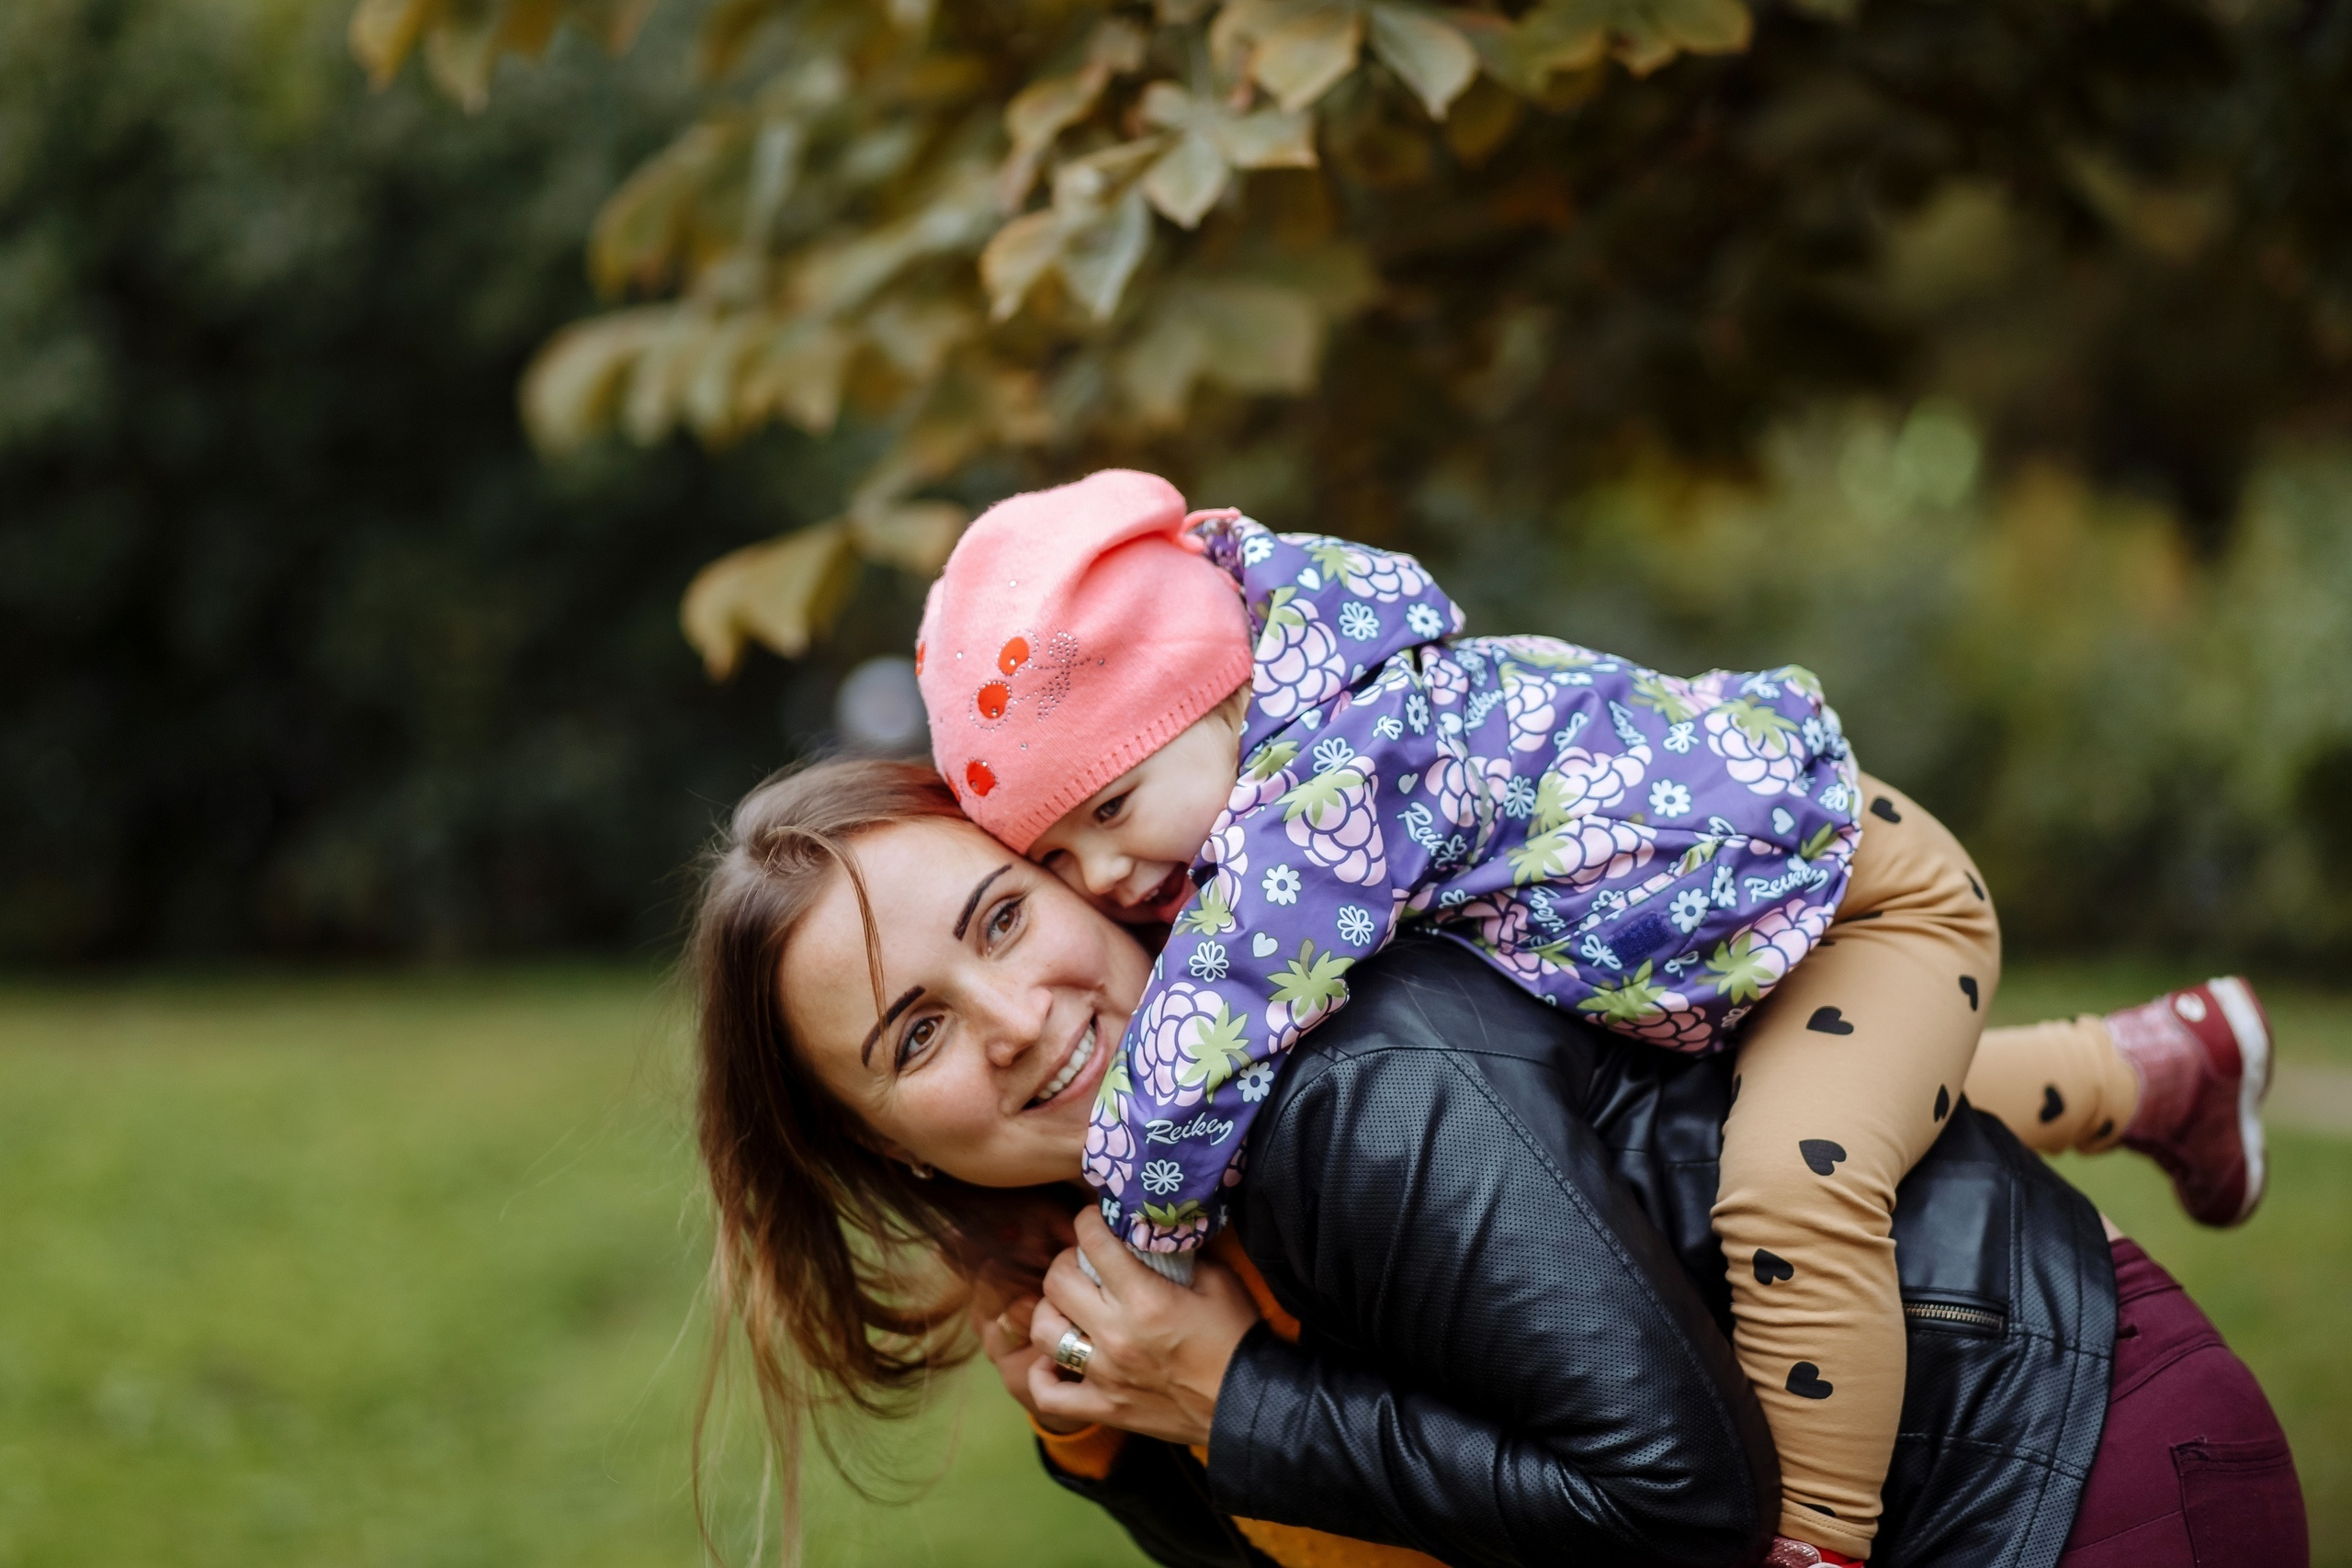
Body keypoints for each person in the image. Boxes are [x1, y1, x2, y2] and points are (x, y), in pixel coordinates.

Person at [910, 470, 2275, 1560]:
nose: (1102, 876)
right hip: (1742, 944)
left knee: (1794, 1184)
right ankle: (2148, 1067)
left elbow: (1204, 1041)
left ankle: (1820, 1542)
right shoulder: (1278, 777)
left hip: (1855, 899)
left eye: (1106, 814)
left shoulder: (1321, 806)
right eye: (1053, 856)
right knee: (1808, 1105)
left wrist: (1140, 1230)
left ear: (1218, 701)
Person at [684, 759, 2306, 1568]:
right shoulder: (1139, 1209)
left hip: (2060, 1477)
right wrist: (1134, 1450)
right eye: (913, 1037)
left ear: (1077, 873)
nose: (1019, 1019)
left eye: (1001, 917)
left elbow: (1685, 1508)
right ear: (875, 1143)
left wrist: (1232, 1401)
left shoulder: (1339, 1088)